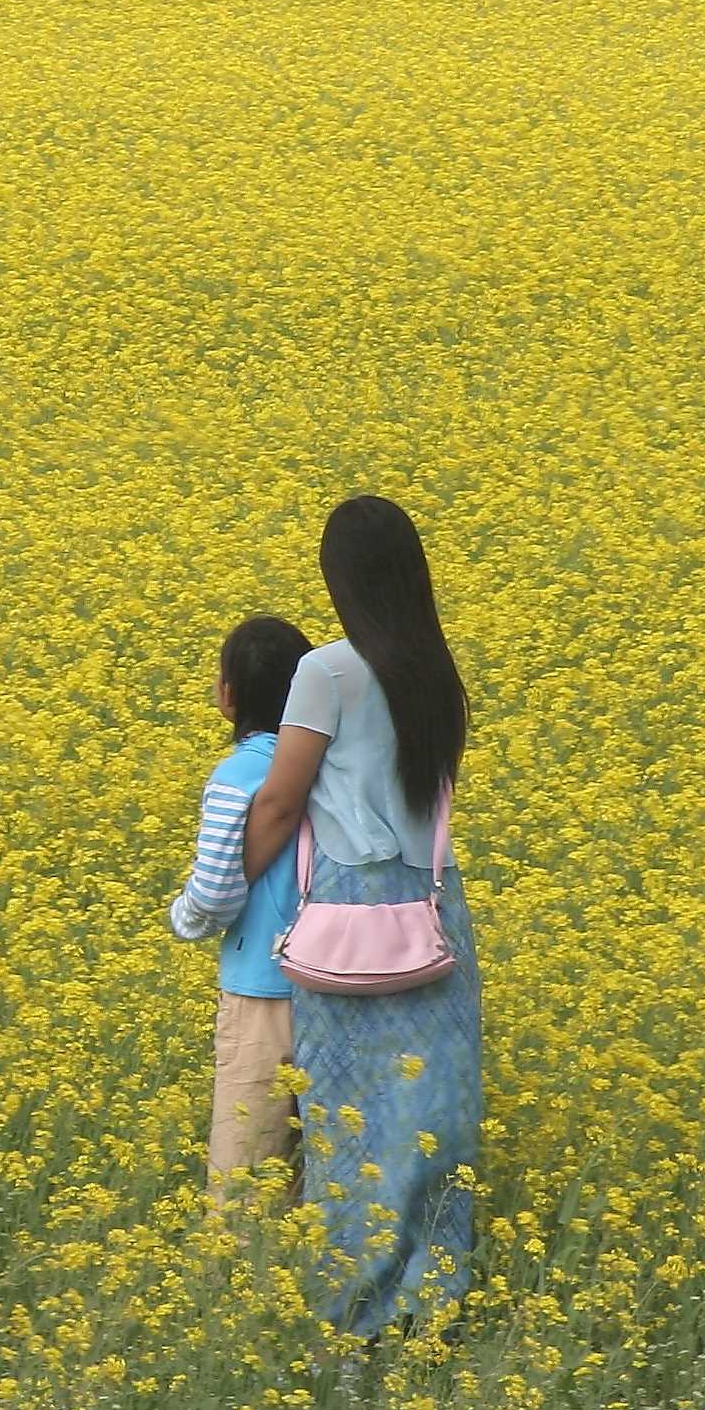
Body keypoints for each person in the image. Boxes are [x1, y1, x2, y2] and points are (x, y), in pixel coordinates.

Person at [243, 495, 483, 1333]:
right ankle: (435, 1311)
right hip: (432, 910)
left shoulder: (328, 672)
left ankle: (354, 1320)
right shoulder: (435, 670)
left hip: (350, 913)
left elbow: (279, 801)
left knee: (352, 1126)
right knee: (433, 1122)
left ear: (341, 580)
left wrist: (227, 891)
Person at [169, 614, 315, 1191]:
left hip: (263, 992)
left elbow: (215, 892)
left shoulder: (241, 774)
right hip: (346, 987)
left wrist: (184, 918)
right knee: (325, 1175)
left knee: (243, 1179)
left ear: (228, 695)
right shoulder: (331, 768)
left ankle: (231, 1280)